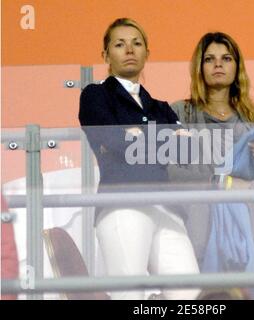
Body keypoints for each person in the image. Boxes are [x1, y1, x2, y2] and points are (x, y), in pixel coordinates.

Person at [78, 18, 199, 300]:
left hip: (166, 207)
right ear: (106, 56)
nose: (129, 49)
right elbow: (112, 141)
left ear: (147, 53)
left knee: (190, 295)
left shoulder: (160, 106)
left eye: (137, 43)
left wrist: (137, 136)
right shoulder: (95, 95)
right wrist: (163, 139)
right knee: (129, 295)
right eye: (119, 44)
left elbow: (188, 152)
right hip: (123, 202)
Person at [169, 32, 254, 299]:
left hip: (251, 225)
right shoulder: (178, 113)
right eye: (210, 59)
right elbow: (165, 171)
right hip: (195, 221)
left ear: (237, 67)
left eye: (226, 58)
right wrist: (214, 179)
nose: (218, 65)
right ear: (199, 68)